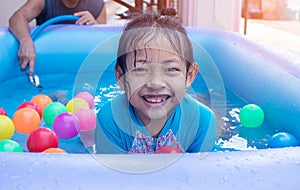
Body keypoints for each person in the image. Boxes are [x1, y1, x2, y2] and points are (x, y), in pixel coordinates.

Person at [94, 13, 217, 154]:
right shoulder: (110, 120)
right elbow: (111, 175)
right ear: (121, 77)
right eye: (140, 69)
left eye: (171, 69)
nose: (155, 83)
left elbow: (201, 174)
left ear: (189, 76)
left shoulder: (203, 122)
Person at [9, 0, 106, 75]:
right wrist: (25, 40)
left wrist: (95, 25)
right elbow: (17, 17)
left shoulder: (96, 4)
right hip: (49, 66)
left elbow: (105, 44)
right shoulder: (43, 1)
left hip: (83, 66)